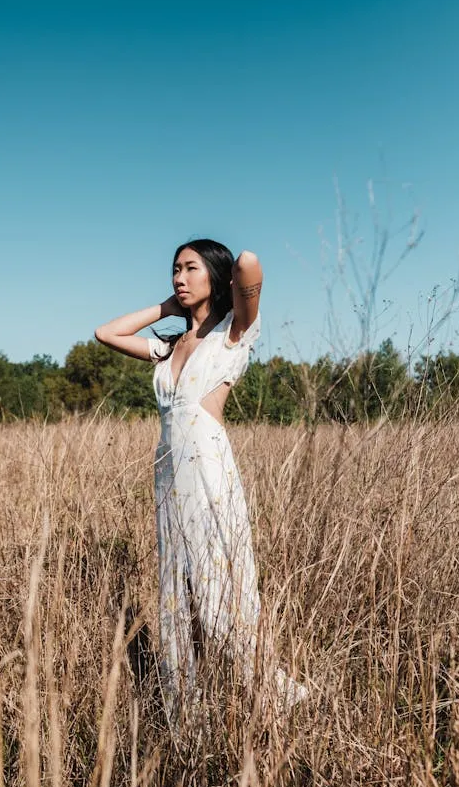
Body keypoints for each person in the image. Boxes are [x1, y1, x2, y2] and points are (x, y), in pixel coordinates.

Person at [95, 239, 307, 725]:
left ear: (215, 276)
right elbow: (105, 333)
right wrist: (168, 308)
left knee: (217, 590)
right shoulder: (167, 345)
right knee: (178, 590)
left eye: (191, 269)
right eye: (174, 270)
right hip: (168, 469)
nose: (179, 277)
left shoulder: (233, 333)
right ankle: (190, 710)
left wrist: (233, 267)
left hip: (208, 464)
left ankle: (271, 692)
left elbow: (250, 267)